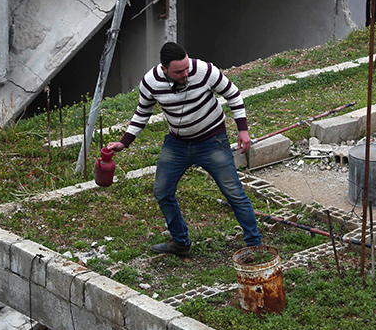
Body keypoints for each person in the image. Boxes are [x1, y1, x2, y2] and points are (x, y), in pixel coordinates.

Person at [106, 42, 262, 256]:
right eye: (179, 72)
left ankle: (254, 244)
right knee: (162, 191)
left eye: (187, 67)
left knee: (233, 192)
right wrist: (124, 141)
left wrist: (242, 130)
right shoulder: (151, 82)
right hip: (177, 144)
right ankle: (180, 242)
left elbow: (233, 95)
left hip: (212, 141)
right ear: (164, 70)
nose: (185, 73)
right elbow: (142, 112)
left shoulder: (205, 71)